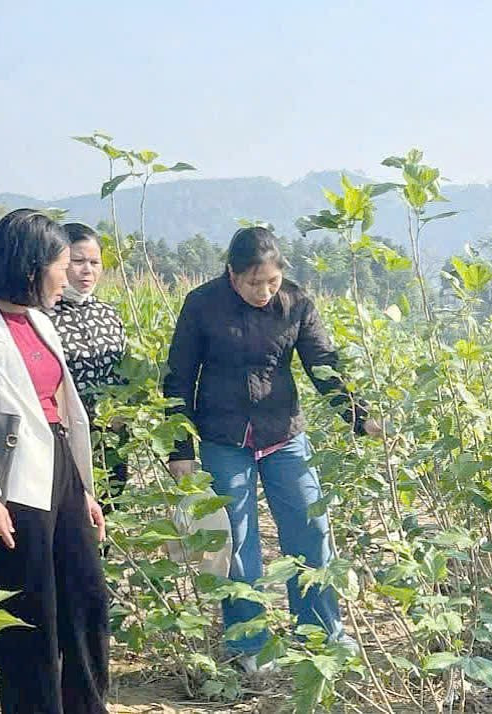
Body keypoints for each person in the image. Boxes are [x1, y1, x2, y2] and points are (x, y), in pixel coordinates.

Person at [163, 226, 382, 673]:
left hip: (284, 434)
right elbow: (178, 379)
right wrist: (179, 449)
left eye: (272, 282)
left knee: (310, 529)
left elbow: (323, 366)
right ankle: (251, 646)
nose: (264, 292)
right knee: (237, 542)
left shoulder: (296, 303)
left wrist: (361, 416)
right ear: (231, 274)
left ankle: (321, 634)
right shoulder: (202, 305)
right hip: (224, 438)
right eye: (252, 283)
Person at [0, 209, 109, 713]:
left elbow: (61, 411)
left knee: (87, 601)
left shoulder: (38, 321)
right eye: (61, 264)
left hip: (59, 471)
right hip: (9, 486)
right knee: (29, 617)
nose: (68, 274)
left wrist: (83, 491)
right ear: (32, 267)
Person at [48, 223, 129, 511]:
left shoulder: (108, 314)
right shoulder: (42, 315)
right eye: (77, 262)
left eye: (94, 263)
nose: (87, 271)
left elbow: (126, 372)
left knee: (109, 513)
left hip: (111, 436)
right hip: (65, 438)